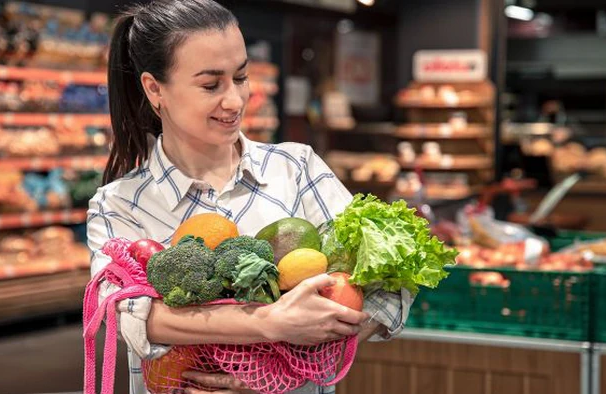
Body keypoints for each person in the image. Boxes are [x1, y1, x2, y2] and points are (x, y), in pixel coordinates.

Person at [87, 1, 412, 393]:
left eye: (240, 77)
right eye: (211, 85)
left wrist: (288, 367)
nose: (235, 101)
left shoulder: (297, 169)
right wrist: (268, 324)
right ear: (155, 89)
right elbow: (124, 314)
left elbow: (392, 284)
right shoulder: (119, 204)